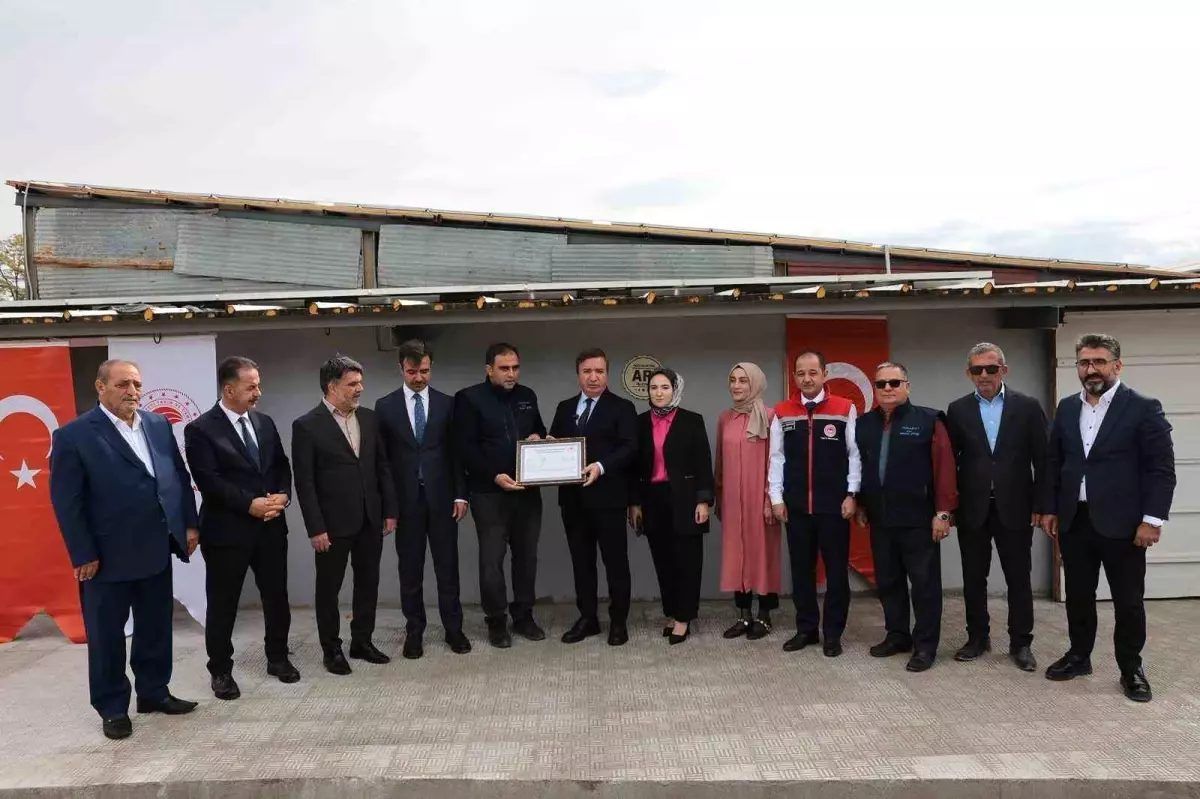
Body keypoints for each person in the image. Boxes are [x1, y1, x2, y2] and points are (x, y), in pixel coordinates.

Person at [49, 359, 199, 740]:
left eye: (136, 384)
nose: (132, 391)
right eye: (122, 384)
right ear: (100, 387)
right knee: (107, 637)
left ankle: (154, 692)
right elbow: (68, 502)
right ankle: (113, 707)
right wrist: (82, 553)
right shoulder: (74, 436)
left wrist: (188, 524)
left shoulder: (157, 424)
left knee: (155, 628)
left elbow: (177, 477)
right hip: (105, 559)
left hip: (155, 548)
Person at [1041, 333, 1175, 702]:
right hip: (1076, 520)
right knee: (1078, 596)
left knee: (1128, 601)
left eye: (1099, 361)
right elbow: (1054, 461)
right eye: (1084, 362)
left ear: (1117, 365)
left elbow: (1160, 469)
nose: (1091, 369)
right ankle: (1079, 656)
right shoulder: (1068, 407)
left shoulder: (1143, 408)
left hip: (1125, 524)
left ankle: (1131, 668)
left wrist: (1152, 520)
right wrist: (1050, 507)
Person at [184, 356, 298, 700]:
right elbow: (209, 480)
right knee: (223, 605)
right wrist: (249, 504)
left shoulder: (264, 422)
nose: (258, 392)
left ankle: (278, 657)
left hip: (271, 528)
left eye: (258, 385)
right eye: (251, 387)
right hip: (226, 533)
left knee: (276, 597)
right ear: (229, 389)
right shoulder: (201, 429)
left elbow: (281, 465)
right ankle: (220, 670)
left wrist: (283, 496)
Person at [292, 355, 398, 675]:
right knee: (329, 589)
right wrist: (315, 528)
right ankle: (332, 649)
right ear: (332, 386)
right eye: (352, 384)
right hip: (331, 526)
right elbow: (305, 483)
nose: (359, 389)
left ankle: (362, 642)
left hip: (370, 518)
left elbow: (382, 467)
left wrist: (389, 510)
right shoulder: (307, 426)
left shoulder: (369, 418)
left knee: (368, 583)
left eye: (360, 382)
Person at [945, 343, 1047, 672]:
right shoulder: (957, 410)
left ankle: (1021, 643)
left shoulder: (1027, 407)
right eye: (977, 370)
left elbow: (1043, 460)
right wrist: (948, 506)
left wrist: (1042, 504)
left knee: (1018, 578)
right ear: (969, 373)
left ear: (1004, 370)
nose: (984, 375)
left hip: (1016, 507)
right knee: (974, 578)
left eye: (991, 368)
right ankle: (977, 638)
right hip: (972, 508)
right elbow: (949, 463)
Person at [855, 361, 957, 672]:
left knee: (924, 585)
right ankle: (897, 635)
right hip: (881, 518)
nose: (887, 388)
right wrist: (861, 503)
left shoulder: (929, 420)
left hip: (918, 519)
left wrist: (943, 513)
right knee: (888, 582)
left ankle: (925, 646)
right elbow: (859, 467)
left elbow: (945, 469)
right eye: (881, 384)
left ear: (907, 386)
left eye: (894, 383)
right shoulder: (863, 424)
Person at [376, 339, 471, 659]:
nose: (419, 378)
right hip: (406, 503)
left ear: (432, 368)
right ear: (401, 369)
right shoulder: (385, 406)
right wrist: (388, 506)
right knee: (410, 570)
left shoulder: (447, 404)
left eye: (425, 371)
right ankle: (414, 632)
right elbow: (383, 463)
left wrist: (461, 495)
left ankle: (454, 629)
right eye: (412, 372)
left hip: (442, 499)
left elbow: (456, 454)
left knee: (448, 568)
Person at [454, 342, 548, 648]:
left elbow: (539, 429)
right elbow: (465, 448)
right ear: (489, 370)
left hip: (527, 491)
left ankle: (524, 616)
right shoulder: (469, 399)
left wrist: (538, 437)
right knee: (492, 561)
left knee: (527, 558)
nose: (511, 374)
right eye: (504, 368)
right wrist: (494, 475)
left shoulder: (527, 395)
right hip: (489, 493)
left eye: (515, 367)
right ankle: (496, 621)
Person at [768, 351, 861, 657]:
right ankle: (806, 629)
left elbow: (854, 454)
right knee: (801, 572)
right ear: (794, 376)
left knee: (836, 573)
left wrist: (852, 494)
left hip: (834, 507)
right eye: (800, 373)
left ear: (824, 374)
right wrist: (776, 498)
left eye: (812, 372)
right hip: (796, 508)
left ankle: (832, 633)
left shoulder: (844, 408)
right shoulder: (782, 412)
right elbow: (776, 458)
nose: (806, 379)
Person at [549, 348, 638, 646]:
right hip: (572, 501)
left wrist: (601, 466)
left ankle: (618, 621)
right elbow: (556, 444)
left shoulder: (622, 408)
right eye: (587, 371)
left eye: (599, 371)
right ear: (578, 374)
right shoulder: (564, 407)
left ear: (607, 374)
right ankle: (588, 618)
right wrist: (545, 446)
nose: (593, 377)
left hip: (609, 499)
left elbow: (630, 448)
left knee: (615, 563)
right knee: (581, 562)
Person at [629, 368, 714, 645]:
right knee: (663, 560)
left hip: (686, 499)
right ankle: (672, 612)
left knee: (687, 561)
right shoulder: (640, 422)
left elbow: (703, 463)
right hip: (652, 499)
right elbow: (634, 468)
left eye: (665, 387)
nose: (659, 393)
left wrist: (704, 500)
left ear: (675, 390)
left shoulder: (692, 420)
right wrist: (635, 503)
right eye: (653, 387)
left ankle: (684, 617)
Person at [716, 362, 782, 641]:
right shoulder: (725, 418)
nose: (736, 385)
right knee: (737, 556)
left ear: (755, 383)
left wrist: (770, 500)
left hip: (760, 500)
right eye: (733, 380)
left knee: (763, 556)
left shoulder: (771, 416)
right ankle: (743, 615)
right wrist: (719, 497)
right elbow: (720, 463)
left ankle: (765, 616)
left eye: (743, 380)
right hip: (733, 501)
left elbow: (776, 461)